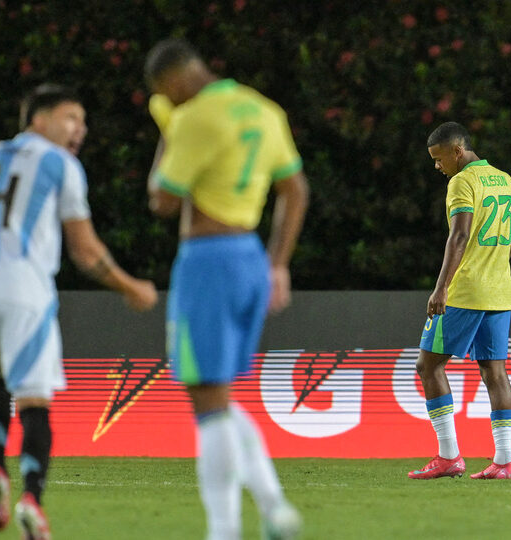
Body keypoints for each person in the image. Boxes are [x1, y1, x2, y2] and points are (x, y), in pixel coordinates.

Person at [0, 84, 158, 539]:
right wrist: (130, 286)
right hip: (24, 294)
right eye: (70, 118)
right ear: (38, 121)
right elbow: (85, 252)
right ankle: (32, 499)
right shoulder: (60, 164)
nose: (79, 129)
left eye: (82, 121)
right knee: (35, 400)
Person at [143, 38, 309, 539]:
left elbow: (162, 200)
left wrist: (168, 134)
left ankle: (228, 527)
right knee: (218, 394)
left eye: (162, 94)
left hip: (207, 261)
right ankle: (273, 508)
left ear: (172, 82)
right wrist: (278, 265)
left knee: (207, 401)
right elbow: (295, 188)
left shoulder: (194, 118)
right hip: (251, 259)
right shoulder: (265, 109)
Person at [408, 122, 511, 480]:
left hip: (466, 290)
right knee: (495, 372)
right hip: (500, 290)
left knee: (428, 366)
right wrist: (497, 269)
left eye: (439, 159)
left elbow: (459, 236)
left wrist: (441, 288)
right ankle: (504, 462)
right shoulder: (504, 179)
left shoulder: (463, 181)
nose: (437, 167)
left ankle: (449, 456)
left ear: (457, 151)